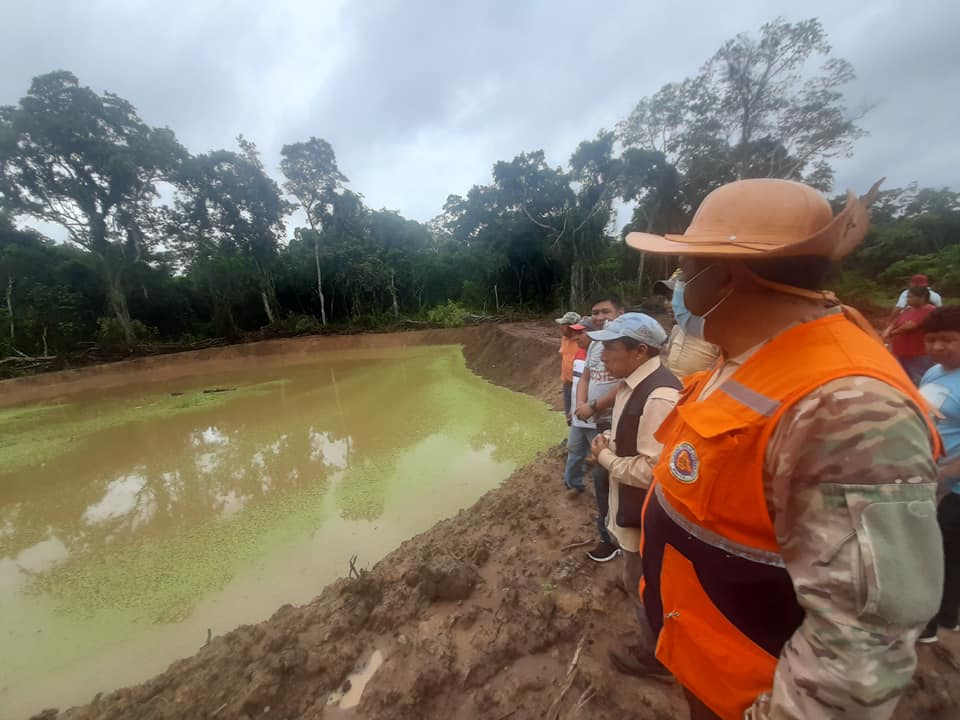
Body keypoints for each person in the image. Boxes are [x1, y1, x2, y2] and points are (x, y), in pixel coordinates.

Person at [624, 178, 942, 720]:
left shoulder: (846, 408)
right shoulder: (743, 353)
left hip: (751, 691)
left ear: (727, 275)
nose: (678, 286)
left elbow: (864, 638)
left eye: (684, 269)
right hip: (703, 655)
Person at [584, 313, 680, 674]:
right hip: (631, 509)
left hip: (644, 516)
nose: (603, 355)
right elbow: (636, 441)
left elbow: (654, 471)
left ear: (640, 351)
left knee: (644, 585)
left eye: (611, 347)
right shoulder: (631, 385)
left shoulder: (659, 396)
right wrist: (610, 441)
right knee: (639, 580)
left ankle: (657, 658)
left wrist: (606, 458)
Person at [918, 307, 960, 643]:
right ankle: (945, 617)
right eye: (932, 340)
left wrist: (945, 476)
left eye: (948, 339)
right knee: (939, 551)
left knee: (939, 554)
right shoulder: (933, 372)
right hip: (930, 476)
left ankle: (935, 624)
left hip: (953, 487)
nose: (938, 346)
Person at [574, 294, 624, 562]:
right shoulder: (595, 343)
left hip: (618, 422)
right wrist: (581, 403)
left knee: (608, 479)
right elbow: (586, 377)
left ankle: (612, 539)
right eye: (595, 313)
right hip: (599, 423)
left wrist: (594, 405)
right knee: (603, 479)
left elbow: (627, 383)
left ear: (620, 313)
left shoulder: (627, 344)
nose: (599, 317)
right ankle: (612, 534)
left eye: (606, 311)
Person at [654, 271, 721, 377]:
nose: (668, 304)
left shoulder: (716, 334)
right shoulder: (677, 330)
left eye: (676, 298)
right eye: (667, 298)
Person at [562, 318, 595, 492]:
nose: (575, 337)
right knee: (574, 451)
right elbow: (576, 385)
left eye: (580, 333)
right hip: (578, 417)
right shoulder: (580, 353)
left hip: (596, 420)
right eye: (575, 333)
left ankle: (604, 494)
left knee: (601, 458)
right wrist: (571, 409)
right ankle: (573, 485)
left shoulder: (604, 357)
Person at [885, 285, 936, 384]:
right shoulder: (908, 310)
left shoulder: (928, 310)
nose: (907, 299)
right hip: (903, 351)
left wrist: (891, 333)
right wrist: (888, 329)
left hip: (917, 352)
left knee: (919, 378)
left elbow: (910, 326)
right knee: (906, 378)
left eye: (910, 297)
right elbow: (895, 322)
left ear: (922, 298)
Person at [555, 310, 583, 417]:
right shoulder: (564, 339)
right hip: (567, 383)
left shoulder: (582, 341)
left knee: (578, 415)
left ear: (571, 326)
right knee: (569, 415)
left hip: (579, 385)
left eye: (563, 325)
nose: (560, 327)